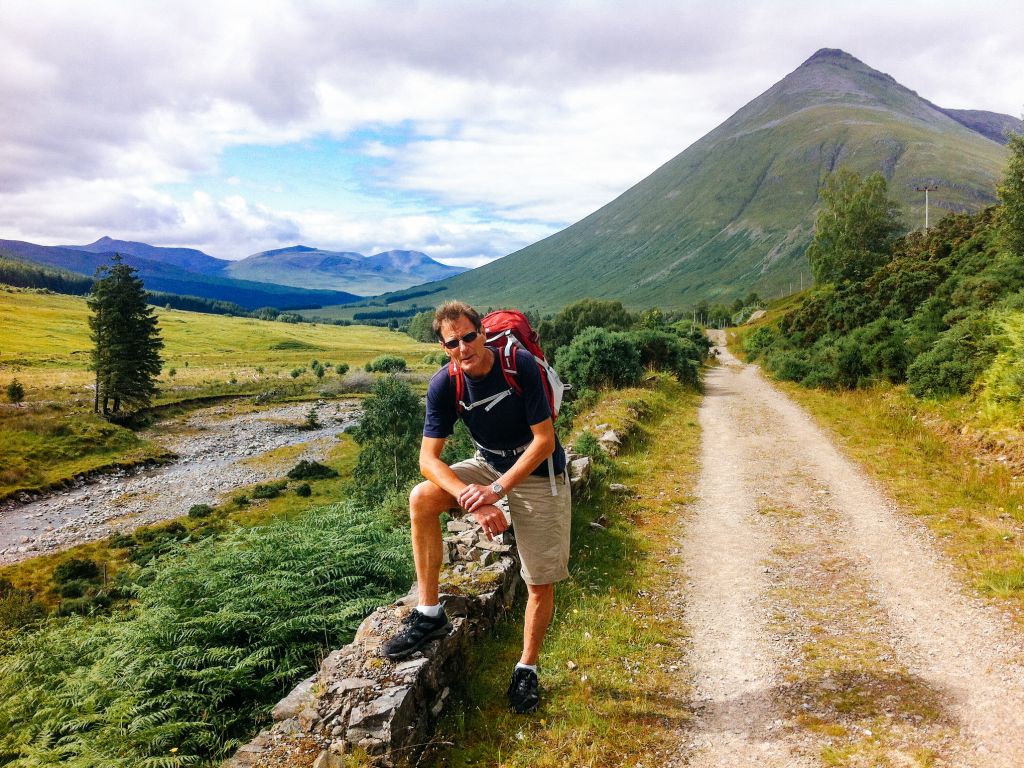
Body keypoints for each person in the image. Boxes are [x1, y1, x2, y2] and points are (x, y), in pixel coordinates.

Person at [382, 300, 571, 714]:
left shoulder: (517, 364)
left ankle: (527, 669)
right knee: (422, 497)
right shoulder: (444, 383)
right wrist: (473, 497)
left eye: (469, 337)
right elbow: (427, 460)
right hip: (488, 462)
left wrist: (497, 492)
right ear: (443, 347)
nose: (464, 348)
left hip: (537, 470)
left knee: (539, 580)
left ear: (482, 333)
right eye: (453, 343)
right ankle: (429, 613)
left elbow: (544, 441)